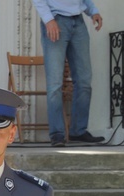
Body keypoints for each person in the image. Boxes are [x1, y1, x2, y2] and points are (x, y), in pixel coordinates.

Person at [31, 0, 105, 147]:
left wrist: (94, 11)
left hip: (78, 22)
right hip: (55, 19)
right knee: (55, 84)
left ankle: (78, 130)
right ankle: (57, 134)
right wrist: (48, 19)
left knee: (84, 80)